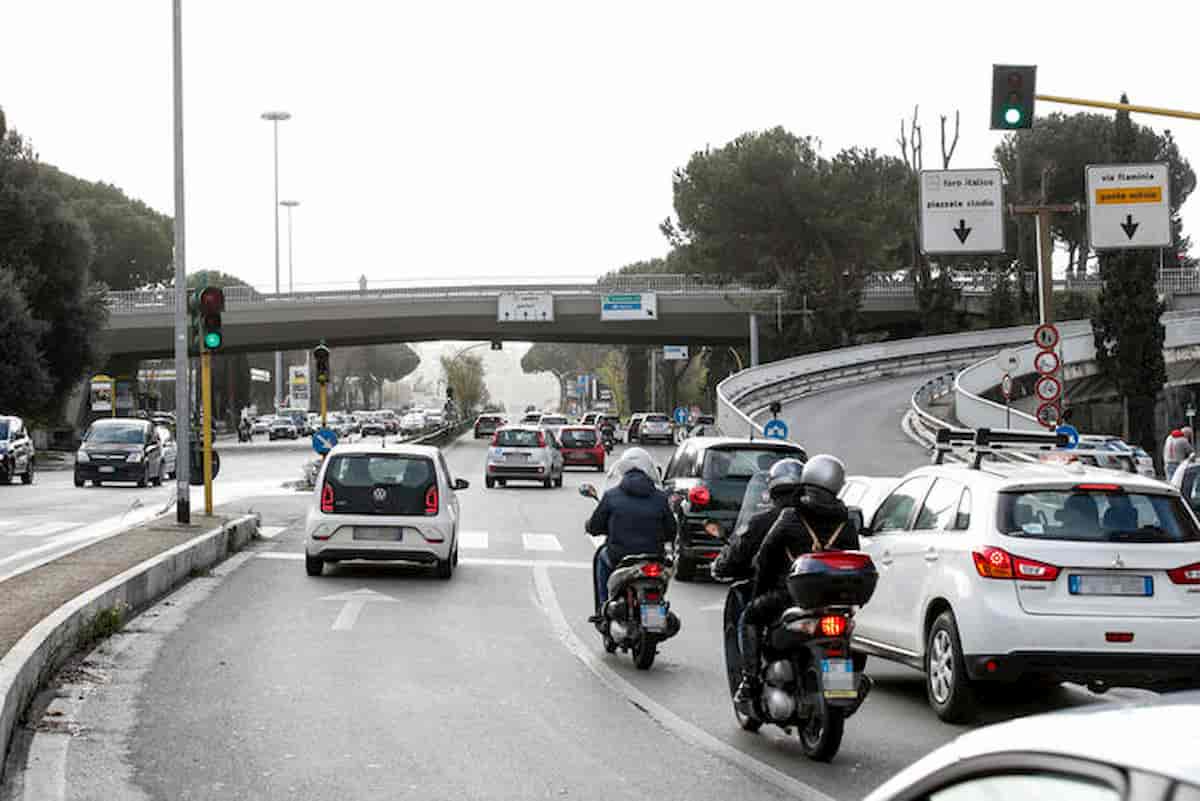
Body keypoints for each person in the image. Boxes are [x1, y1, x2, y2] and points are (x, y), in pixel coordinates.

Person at [734, 454, 860, 705]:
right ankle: (843, 684)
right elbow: (853, 556)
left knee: (750, 616)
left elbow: (765, 557)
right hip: (834, 602)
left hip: (790, 597)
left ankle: (750, 681)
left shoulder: (791, 516)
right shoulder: (845, 521)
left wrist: (760, 590)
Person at [585, 448, 675, 623]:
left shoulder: (612, 496)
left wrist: (590, 526)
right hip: (653, 558)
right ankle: (656, 613)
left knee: (601, 558)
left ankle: (603, 610)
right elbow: (672, 530)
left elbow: (595, 526)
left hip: (619, 557)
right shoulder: (660, 498)